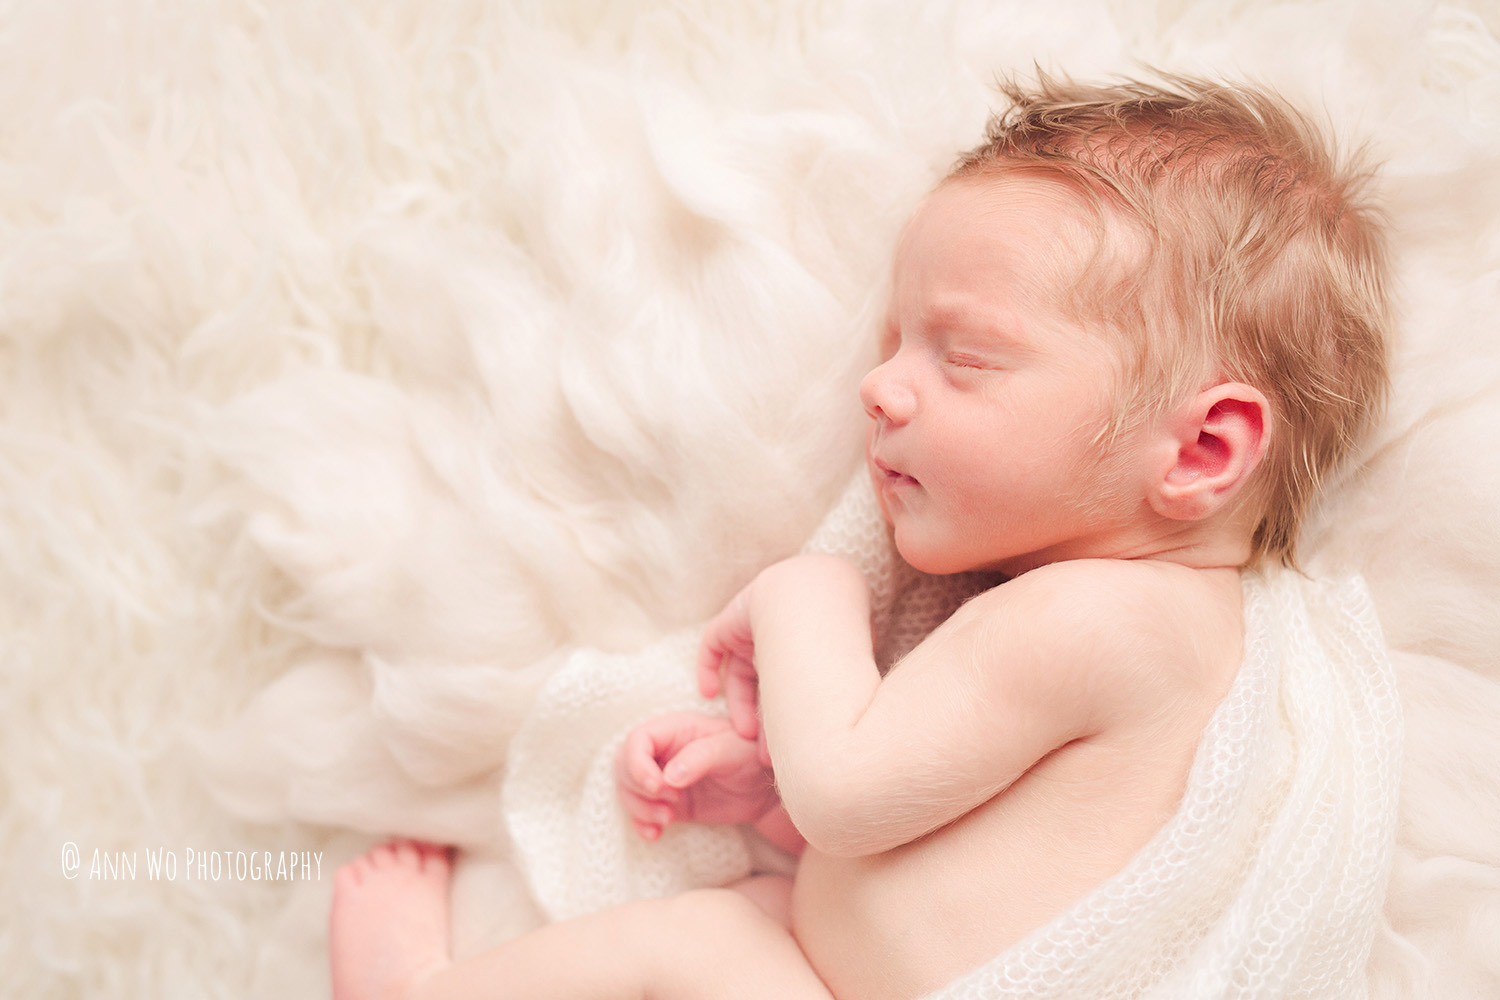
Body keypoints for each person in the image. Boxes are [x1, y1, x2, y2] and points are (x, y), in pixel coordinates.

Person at [327, 74, 1391, 1000]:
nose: (880, 387)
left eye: (964, 357)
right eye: (891, 343)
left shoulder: (1103, 616)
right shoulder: (1157, 639)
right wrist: (775, 799)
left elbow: (848, 791)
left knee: (702, 941)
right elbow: (962, 862)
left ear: (1202, 450)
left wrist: (809, 592)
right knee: (754, 905)